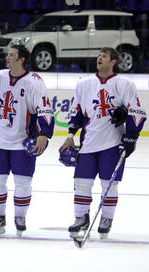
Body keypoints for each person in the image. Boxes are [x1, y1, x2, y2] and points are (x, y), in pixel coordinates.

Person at [59, 47, 147, 239]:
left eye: (104, 56)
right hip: (88, 143)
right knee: (81, 183)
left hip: (113, 144)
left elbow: (137, 112)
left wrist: (130, 136)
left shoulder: (124, 84)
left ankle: (106, 218)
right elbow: (77, 111)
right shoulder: (84, 84)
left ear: (113, 62)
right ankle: (81, 217)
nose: (100, 58)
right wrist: (70, 134)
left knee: (110, 184)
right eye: (99, 56)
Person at [0, 45, 54, 236]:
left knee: (23, 182)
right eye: (8, 54)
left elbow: (45, 108)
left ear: (22, 59)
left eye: (12, 54)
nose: (7, 57)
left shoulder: (34, 82)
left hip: (23, 141)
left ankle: (20, 217)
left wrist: (44, 133)